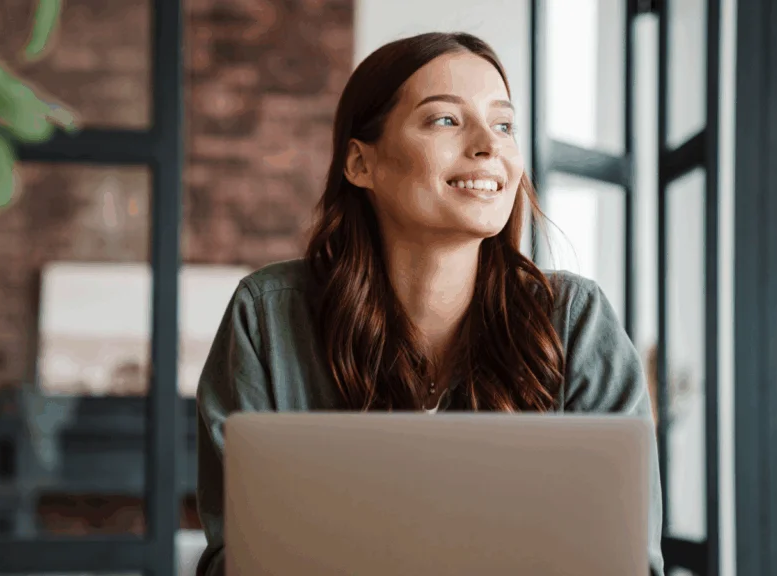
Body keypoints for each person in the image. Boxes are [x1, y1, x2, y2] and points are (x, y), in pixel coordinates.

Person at [194, 31, 665, 576]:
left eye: (505, 124)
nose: (490, 145)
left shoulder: (575, 321)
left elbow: (632, 563)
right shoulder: (268, 316)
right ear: (360, 164)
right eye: (445, 119)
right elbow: (237, 557)